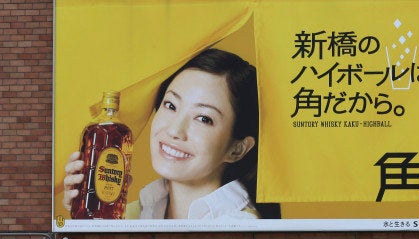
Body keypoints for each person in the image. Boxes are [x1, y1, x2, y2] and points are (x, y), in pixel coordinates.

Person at [63, 48, 280, 219]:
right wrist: (88, 218)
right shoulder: (134, 215)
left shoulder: (240, 230)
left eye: (203, 118)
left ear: (237, 149)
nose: (175, 130)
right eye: (170, 105)